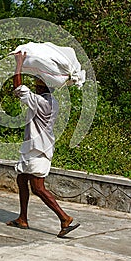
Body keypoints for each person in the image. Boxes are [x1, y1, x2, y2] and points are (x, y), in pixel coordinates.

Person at [6, 51, 80, 238]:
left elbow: (18, 88)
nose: (35, 85)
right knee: (22, 179)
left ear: (41, 87)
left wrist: (19, 64)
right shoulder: (52, 101)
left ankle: (64, 218)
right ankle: (22, 218)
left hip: (39, 149)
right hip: (32, 147)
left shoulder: (40, 102)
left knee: (38, 187)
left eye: (37, 83)